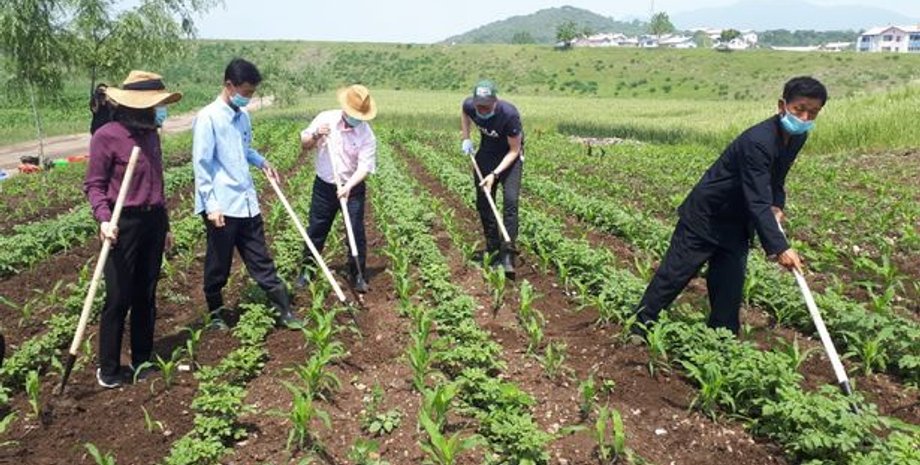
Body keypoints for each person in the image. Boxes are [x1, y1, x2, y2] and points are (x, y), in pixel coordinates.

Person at [634, 76, 826, 336]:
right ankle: (639, 327)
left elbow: (777, 178)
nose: (804, 118)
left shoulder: (795, 138)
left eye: (812, 113)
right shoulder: (758, 141)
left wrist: (777, 205)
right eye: (798, 110)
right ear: (782, 106)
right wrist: (779, 248)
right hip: (707, 216)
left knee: (729, 288)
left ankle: (721, 343)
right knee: (673, 276)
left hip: (737, 223)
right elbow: (757, 198)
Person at [83, 70, 181, 388]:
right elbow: (95, 185)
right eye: (154, 105)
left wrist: (165, 225)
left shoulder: (151, 134)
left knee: (146, 294)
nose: (159, 110)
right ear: (136, 105)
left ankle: (141, 359)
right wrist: (104, 218)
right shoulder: (107, 136)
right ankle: (108, 369)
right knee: (119, 296)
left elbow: (158, 183)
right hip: (122, 223)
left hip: (152, 221)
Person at [192, 58, 300, 330]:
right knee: (219, 263)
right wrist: (211, 205)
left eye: (252, 93)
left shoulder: (244, 117)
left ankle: (283, 309)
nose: (248, 99)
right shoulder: (208, 118)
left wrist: (262, 161)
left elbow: (244, 150)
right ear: (229, 86)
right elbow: (202, 165)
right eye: (246, 93)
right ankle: (216, 312)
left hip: (247, 202)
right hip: (222, 207)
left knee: (260, 258)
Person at [297, 85, 378, 293]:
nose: (356, 118)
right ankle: (307, 270)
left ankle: (358, 272)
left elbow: (364, 167)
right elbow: (304, 143)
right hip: (324, 186)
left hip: (353, 187)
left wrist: (349, 186)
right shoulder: (326, 119)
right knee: (317, 228)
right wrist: (316, 135)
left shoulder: (366, 135)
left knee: (355, 230)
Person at [460, 79, 524, 278]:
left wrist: (494, 175)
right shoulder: (470, 106)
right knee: (484, 201)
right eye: (479, 106)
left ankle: (507, 255)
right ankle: (493, 248)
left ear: (495, 101)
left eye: (487, 106)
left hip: (509, 157)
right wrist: (466, 137)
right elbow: (464, 112)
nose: (482, 110)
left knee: (511, 202)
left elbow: (514, 150)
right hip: (487, 153)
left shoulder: (509, 115)